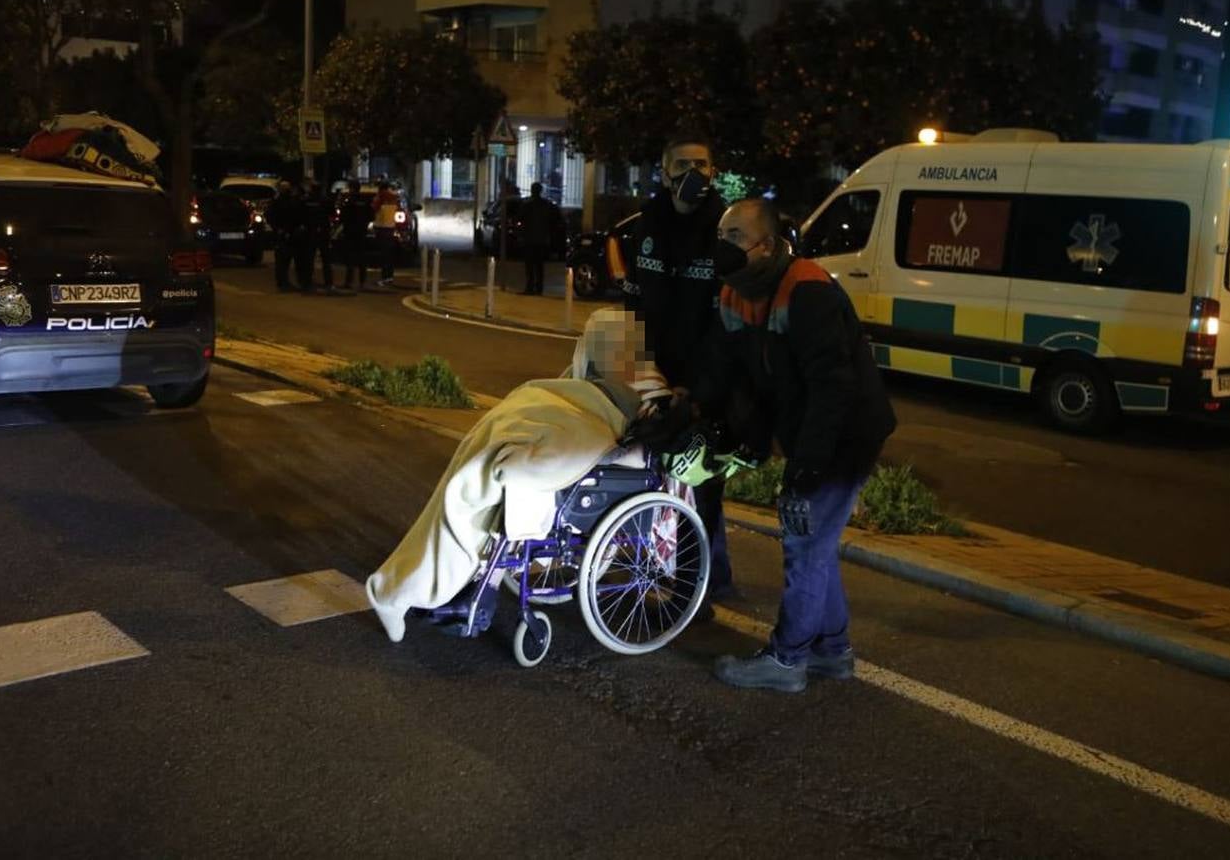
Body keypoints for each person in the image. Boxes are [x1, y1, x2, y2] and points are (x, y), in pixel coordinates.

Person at [364, 308, 673, 643]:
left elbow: (636, 448)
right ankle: (440, 584)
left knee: (494, 479)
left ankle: (429, 586)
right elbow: (562, 392)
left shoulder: (653, 392)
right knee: (486, 464)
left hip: (585, 444)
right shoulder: (597, 373)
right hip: (552, 424)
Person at [697, 199, 897, 694]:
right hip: (808, 429)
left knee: (804, 541)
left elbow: (833, 386)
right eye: (723, 234)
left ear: (767, 244)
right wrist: (702, 417)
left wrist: (807, 466)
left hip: (845, 433)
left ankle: (787, 662)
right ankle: (832, 652)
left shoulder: (807, 289)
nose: (725, 246)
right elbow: (731, 374)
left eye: (737, 236)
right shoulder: (733, 293)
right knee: (816, 544)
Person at [622, 133, 735, 602]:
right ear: (664, 172)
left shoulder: (725, 232)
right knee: (647, 479)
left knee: (701, 488)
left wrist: (698, 387)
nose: (695, 174)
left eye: (703, 164)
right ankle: (671, 571)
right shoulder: (643, 226)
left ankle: (699, 590)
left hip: (702, 385)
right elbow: (630, 306)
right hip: (652, 378)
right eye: (684, 164)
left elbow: (726, 325)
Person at [265, 180, 306, 292]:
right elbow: (270, 216)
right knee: (282, 260)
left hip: (290, 234)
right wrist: (278, 229)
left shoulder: (289, 201)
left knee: (286, 260)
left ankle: (285, 282)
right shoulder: (278, 202)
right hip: (283, 234)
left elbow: (296, 216)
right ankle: (282, 283)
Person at [520, 182, 560, 295]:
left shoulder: (527, 205)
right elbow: (555, 220)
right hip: (542, 240)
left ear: (532, 191)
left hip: (530, 239)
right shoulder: (547, 205)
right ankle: (539, 288)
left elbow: (520, 219)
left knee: (530, 265)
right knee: (539, 265)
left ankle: (530, 287)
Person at [299, 179, 335, 292]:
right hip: (323, 231)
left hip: (310, 232)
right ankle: (328, 282)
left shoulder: (306, 200)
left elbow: (301, 215)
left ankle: (307, 282)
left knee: (309, 258)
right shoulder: (326, 200)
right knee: (326, 259)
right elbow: (332, 213)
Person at [338, 180, 373, 291]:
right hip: (362, 232)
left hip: (350, 232)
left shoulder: (349, 201)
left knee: (350, 258)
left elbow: (342, 217)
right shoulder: (365, 201)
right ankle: (362, 282)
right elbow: (371, 216)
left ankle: (349, 282)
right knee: (362, 258)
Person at [370, 178, 401, 287]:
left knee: (384, 255)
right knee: (389, 255)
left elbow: (373, 209)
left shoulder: (380, 197)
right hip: (391, 228)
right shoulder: (395, 197)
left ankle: (385, 278)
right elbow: (399, 211)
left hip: (381, 228)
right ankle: (389, 277)